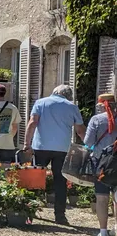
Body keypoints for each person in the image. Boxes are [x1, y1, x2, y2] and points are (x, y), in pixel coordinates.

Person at [24, 85, 86, 226]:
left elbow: (32, 123)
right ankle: (60, 216)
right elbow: (80, 130)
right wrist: (89, 146)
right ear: (68, 96)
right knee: (60, 182)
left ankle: (28, 213)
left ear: (54, 92)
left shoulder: (41, 102)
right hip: (62, 149)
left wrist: (27, 144)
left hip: (41, 147)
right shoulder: (72, 107)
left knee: (34, 180)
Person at [86, 93, 117, 236]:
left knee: (102, 197)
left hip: (101, 163)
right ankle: (116, 229)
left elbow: (88, 141)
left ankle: (103, 233)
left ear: (101, 105)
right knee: (116, 197)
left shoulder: (96, 120)